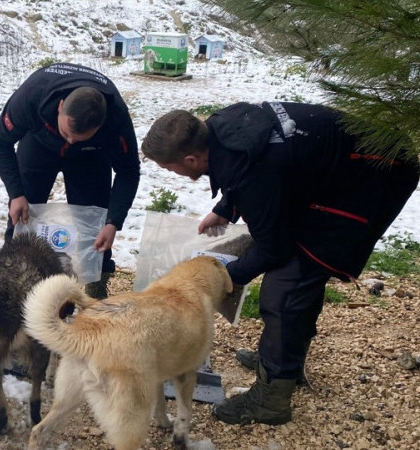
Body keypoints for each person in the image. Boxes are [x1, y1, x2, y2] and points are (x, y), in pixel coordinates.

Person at [141, 102, 419, 425]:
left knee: (286, 287)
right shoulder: (221, 128)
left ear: (190, 159)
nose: (171, 173)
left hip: (376, 174)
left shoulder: (255, 172)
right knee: (294, 274)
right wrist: (226, 208)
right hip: (340, 167)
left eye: (169, 168)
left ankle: (272, 397)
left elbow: (273, 247)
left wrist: (221, 276)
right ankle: (284, 359)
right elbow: (245, 167)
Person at [0, 63, 141, 299]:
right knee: (21, 217)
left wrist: (113, 221)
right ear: (60, 107)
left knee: (94, 227)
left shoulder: (116, 119)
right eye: (66, 132)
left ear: (100, 126)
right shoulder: (32, 96)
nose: (69, 140)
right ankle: (12, 290)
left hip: (89, 156)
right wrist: (16, 193)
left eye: (76, 137)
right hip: (39, 143)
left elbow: (129, 171)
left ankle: (94, 292)